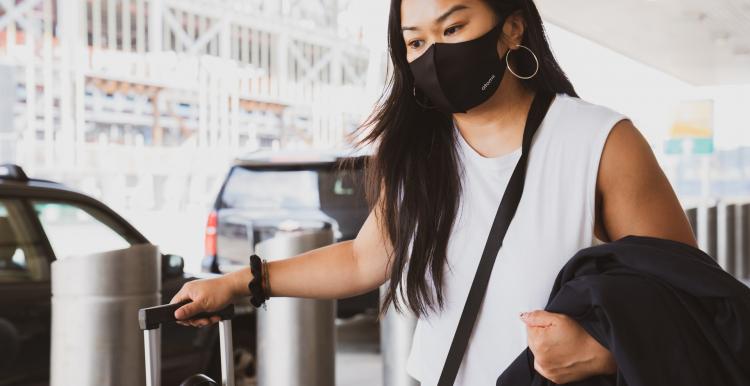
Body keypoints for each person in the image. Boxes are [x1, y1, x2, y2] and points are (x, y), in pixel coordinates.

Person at [170, 0, 697, 384]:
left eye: (453, 27)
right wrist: (241, 283)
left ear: (512, 28)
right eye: (417, 41)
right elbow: (362, 260)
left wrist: (604, 352)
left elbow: (687, 301)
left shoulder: (600, 142)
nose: (435, 55)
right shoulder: (420, 152)